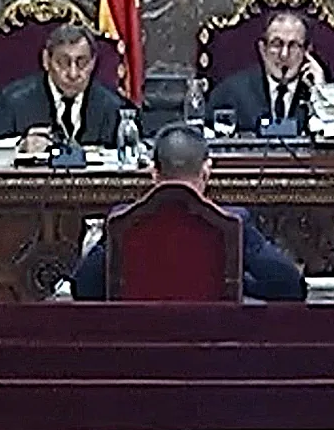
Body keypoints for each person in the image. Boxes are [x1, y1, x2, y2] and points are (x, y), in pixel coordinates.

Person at [71, 123, 305, 300]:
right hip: (212, 343)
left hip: (139, 343)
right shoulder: (232, 222)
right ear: (206, 172)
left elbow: (83, 287)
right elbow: (291, 286)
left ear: (154, 174)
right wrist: (239, 284)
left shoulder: (124, 220)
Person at [0, 24, 129, 149]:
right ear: (46, 60)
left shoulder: (114, 108)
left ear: (93, 63)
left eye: (82, 63)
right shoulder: (10, 103)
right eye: (63, 62)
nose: (73, 73)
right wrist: (19, 147)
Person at [205, 11, 328, 134]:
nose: (284, 55)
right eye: (277, 44)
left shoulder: (316, 93)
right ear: (263, 49)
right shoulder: (230, 93)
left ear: (307, 51)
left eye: (294, 46)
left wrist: (321, 93)